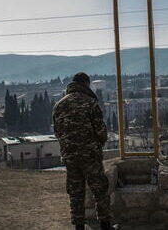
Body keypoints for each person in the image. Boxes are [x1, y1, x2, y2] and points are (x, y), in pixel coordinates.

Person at [53, 72, 117, 230]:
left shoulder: (59, 105)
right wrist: (96, 145)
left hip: (70, 157)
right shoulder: (90, 103)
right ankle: (105, 225)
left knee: (76, 193)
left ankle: (79, 227)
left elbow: (57, 132)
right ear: (86, 84)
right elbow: (101, 131)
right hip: (90, 156)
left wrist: (68, 147)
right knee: (100, 190)